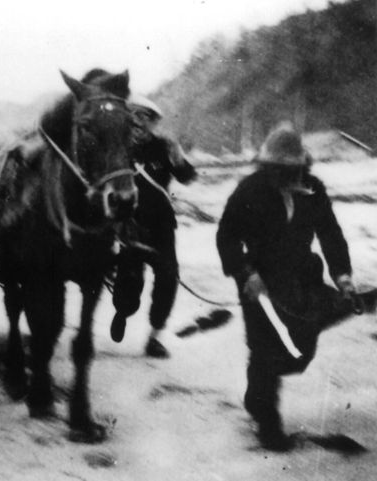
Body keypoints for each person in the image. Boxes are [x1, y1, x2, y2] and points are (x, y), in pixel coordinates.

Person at [216, 121, 372, 450]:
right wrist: (245, 273)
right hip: (259, 281)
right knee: (264, 349)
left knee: (299, 352)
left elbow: (330, 233)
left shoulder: (313, 188)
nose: (285, 175)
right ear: (267, 166)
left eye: (291, 169)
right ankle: (268, 424)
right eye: (277, 168)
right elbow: (226, 236)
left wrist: (342, 275)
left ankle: (257, 394)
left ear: (302, 165)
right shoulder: (250, 190)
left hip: (302, 278)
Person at [109, 97, 197, 358]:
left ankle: (154, 338)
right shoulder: (117, 148)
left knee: (168, 279)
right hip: (130, 224)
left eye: (144, 118)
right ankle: (123, 312)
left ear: (152, 123)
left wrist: (178, 157)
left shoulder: (163, 147)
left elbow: (187, 177)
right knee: (129, 282)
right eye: (133, 117)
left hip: (162, 226)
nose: (138, 123)